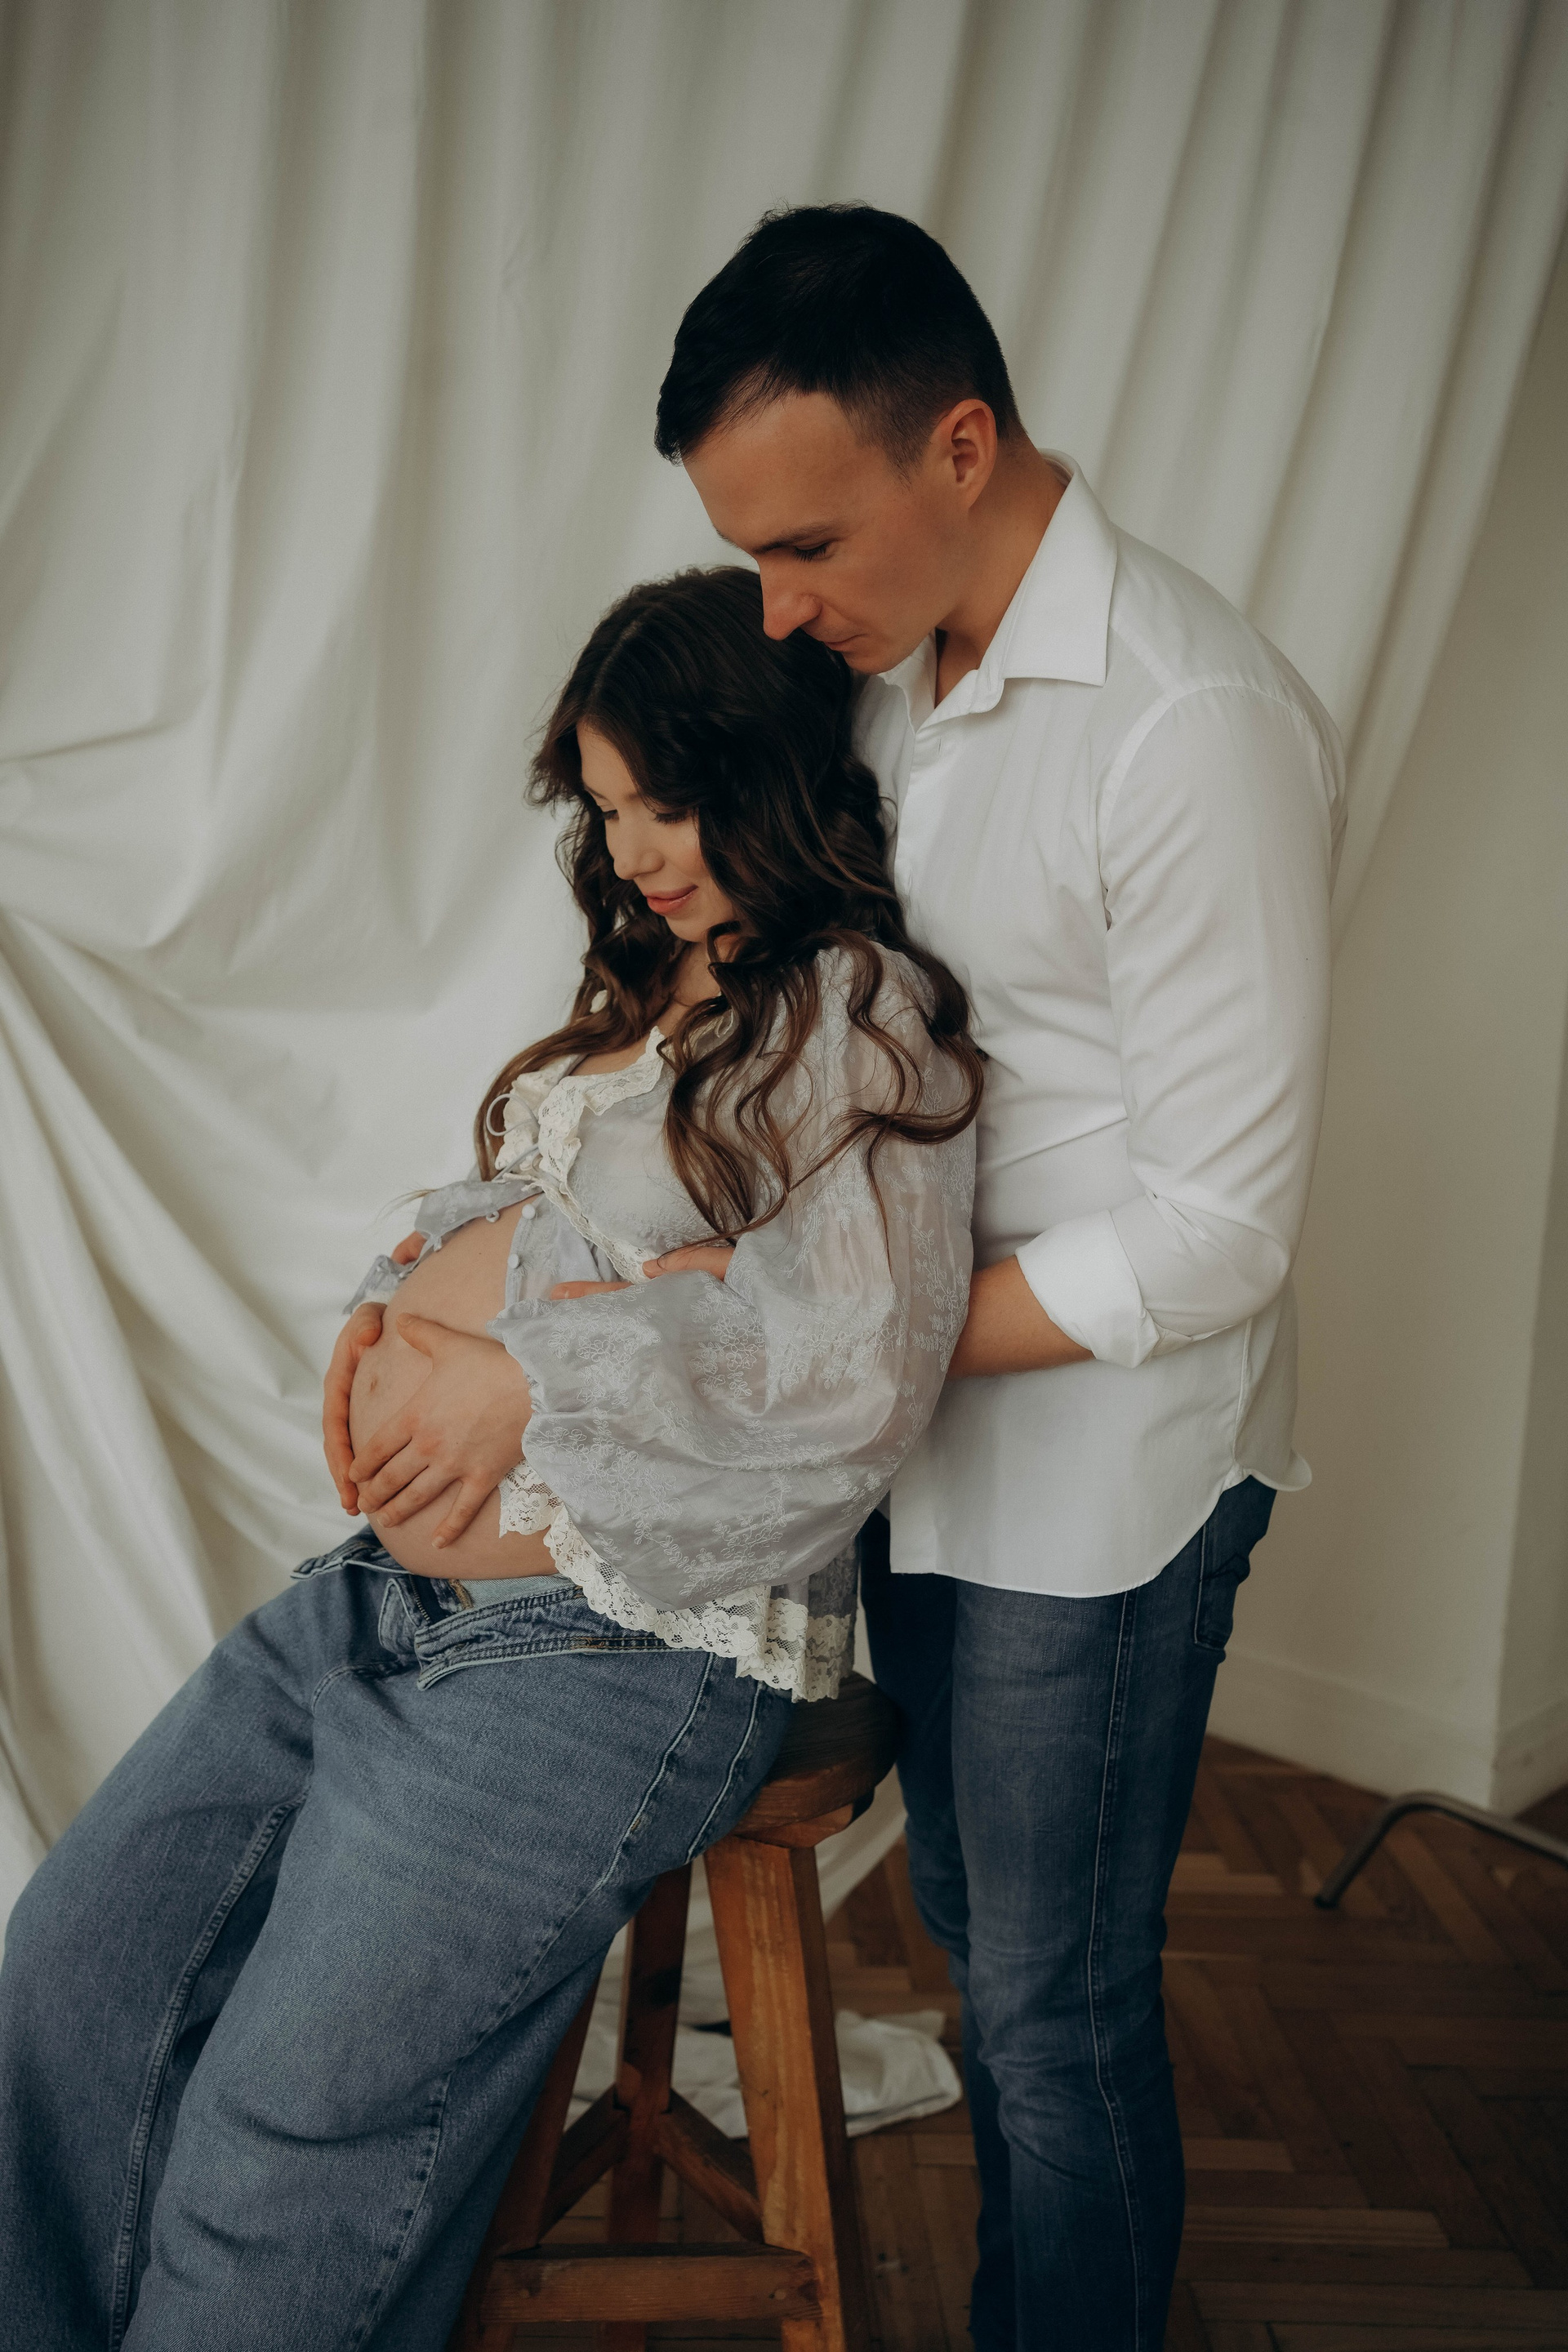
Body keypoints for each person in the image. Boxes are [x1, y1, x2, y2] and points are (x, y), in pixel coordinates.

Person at [0, 566, 981, 2348]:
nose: (638, 852)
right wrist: (396, 1309)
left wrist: (525, 1372)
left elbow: (852, 1376)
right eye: (609, 812)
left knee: (283, 2125)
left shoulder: (849, 1013)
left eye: (669, 804)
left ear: (773, 775)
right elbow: (553, 1226)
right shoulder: (659, 985)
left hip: (612, 1650)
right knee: (72, 1977)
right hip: (383, 1600)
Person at [652, 207, 1346, 2350]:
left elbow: (1224, 1229)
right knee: (972, 1925)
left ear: (962, 445)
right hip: (927, 1437)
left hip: (1099, 1478)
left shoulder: (1190, 722)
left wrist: (853, 1340)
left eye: (807, 546)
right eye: (751, 557)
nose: (781, 609)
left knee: (1051, 2002)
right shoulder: (881, 680)